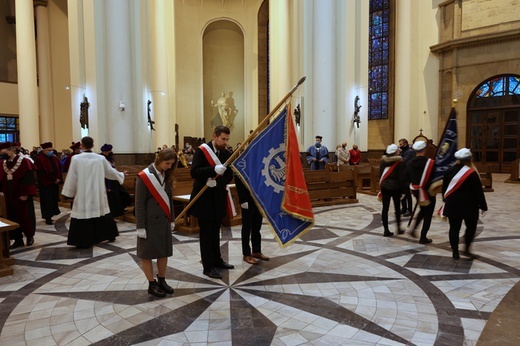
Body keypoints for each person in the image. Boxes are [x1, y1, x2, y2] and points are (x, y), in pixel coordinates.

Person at [61, 136, 126, 248]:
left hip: (83, 193)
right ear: (92, 145)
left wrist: (69, 192)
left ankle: (84, 240)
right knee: (102, 211)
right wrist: (121, 175)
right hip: (98, 192)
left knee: (84, 214)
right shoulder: (100, 159)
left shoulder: (76, 159)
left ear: (82, 145)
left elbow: (72, 176)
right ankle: (109, 234)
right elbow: (110, 172)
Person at [189, 126, 234, 279]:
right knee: (206, 233)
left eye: (227, 139)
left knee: (216, 231)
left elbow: (229, 175)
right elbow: (194, 172)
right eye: (223, 139)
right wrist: (212, 170)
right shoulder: (201, 151)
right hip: (204, 200)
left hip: (218, 197)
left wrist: (219, 184)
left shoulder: (226, 153)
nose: (225, 142)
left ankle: (217, 260)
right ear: (214, 136)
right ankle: (208, 266)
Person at [135, 149, 177, 297]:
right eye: (167, 163)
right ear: (159, 160)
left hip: (163, 221)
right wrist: (140, 226)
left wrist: (172, 219)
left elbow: (169, 199)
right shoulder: (144, 176)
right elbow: (139, 203)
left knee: (163, 253)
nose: (169, 166)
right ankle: (151, 284)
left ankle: (162, 280)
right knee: (147, 254)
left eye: (172, 164)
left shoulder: (166, 175)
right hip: (148, 223)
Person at [440, 148, 487, 259]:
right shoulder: (472, 173)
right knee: (471, 227)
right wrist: (483, 206)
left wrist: (445, 200)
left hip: (452, 204)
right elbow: (478, 192)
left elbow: (444, 188)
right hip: (469, 205)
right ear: (470, 159)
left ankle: (455, 252)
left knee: (454, 228)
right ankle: (466, 249)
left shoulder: (449, 171)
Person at [0, 142, 37, 248]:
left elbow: (29, 179)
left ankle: (29, 236)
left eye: (4, 153)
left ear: (11, 150)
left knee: (25, 216)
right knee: (11, 217)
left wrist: (25, 193)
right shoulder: (2, 163)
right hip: (7, 196)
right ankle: (17, 239)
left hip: (21, 195)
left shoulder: (25, 162)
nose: (2, 155)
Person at [235, 175, 269, 265]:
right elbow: (238, 179)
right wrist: (243, 200)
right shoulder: (242, 161)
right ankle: (246, 254)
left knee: (257, 226)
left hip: (258, 198)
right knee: (247, 227)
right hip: (247, 199)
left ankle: (256, 251)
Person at [406, 140, 435, 244]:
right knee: (428, 213)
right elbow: (434, 177)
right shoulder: (430, 163)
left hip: (417, 191)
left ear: (414, 150)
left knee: (422, 210)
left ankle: (413, 229)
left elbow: (407, 178)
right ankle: (423, 236)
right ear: (425, 149)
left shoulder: (409, 163)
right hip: (429, 191)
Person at [379, 144, 406, 237]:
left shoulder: (383, 161)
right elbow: (401, 177)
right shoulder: (399, 162)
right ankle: (398, 228)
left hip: (384, 187)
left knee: (385, 208)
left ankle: (386, 230)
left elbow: (381, 174)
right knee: (397, 208)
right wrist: (403, 191)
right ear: (395, 152)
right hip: (395, 187)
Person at [34, 142, 63, 225]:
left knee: (53, 199)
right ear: (44, 150)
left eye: (52, 150)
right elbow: (42, 173)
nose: (51, 151)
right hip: (46, 184)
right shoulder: (40, 159)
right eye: (49, 150)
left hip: (54, 183)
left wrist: (58, 179)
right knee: (47, 201)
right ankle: (48, 217)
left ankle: (52, 214)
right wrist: (53, 179)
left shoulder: (54, 158)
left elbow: (59, 169)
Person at [100, 143, 130, 217]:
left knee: (123, 194)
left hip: (114, 180)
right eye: (109, 150)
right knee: (112, 199)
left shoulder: (110, 159)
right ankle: (112, 215)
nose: (111, 152)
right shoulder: (102, 159)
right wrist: (107, 186)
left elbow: (113, 170)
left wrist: (121, 173)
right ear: (105, 152)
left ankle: (120, 210)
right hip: (108, 182)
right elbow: (105, 173)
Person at [399, 138, 415, 216]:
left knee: (407, 194)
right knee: (402, 193)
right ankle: (404, 208)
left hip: (407, 175)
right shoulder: (403, 151)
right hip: (402, 175)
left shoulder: (410, 152)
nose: (400, 146)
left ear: (405, 144)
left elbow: (403, 161)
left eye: (401, 144)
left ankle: (410, 210)